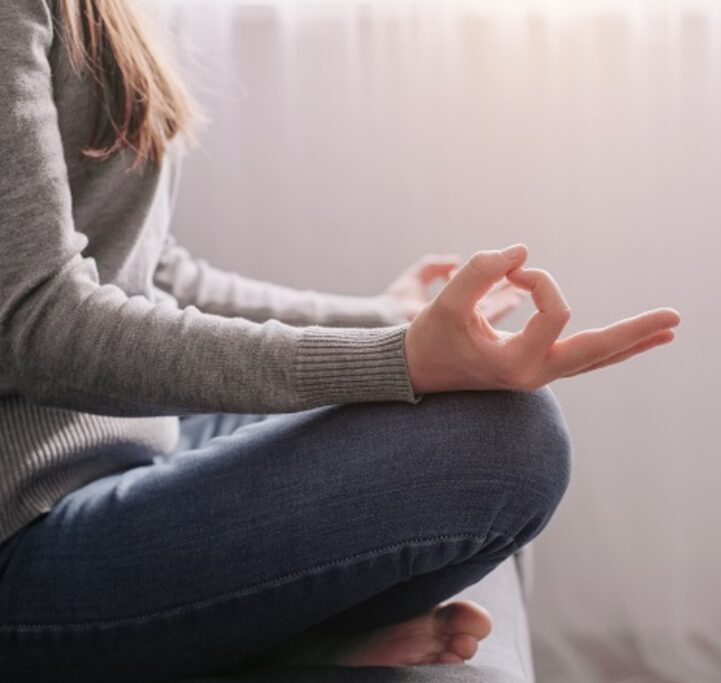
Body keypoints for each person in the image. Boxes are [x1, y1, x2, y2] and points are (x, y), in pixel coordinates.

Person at [0, 0, 681, 680]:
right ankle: (271, 640)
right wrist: (398, 358)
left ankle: (269, 637)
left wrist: (383, 318)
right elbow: (38, 323)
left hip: (131, 443)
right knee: (507, 442)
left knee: (485, 403)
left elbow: (153, 271)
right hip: (27, 524)